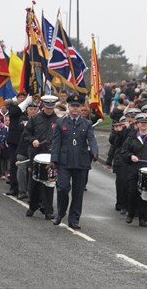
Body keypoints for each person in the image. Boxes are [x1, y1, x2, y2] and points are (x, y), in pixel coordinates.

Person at [51, 94, 99, 230]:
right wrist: (54, 159)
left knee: (78, 192)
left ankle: (74, 219)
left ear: (81, 108)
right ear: (68, 107)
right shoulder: (61, 123)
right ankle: (60, 212)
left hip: (81, 161)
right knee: (62, 188)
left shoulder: (87, 124)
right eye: (72, 106)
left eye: (78, 106)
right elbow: (56, 142)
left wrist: (95, 152)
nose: (75, 109)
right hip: (64, 161)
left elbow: (92, 139)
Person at [23, 95, 59, 220]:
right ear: (43, 105)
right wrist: (33, 140)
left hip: (51, 156)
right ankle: (33, 206)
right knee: (35, 182)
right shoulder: (34, 119)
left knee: (50, 182)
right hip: (36, 154)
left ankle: (48, 210)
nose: (49, 110)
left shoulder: (58, 121)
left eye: (51, 107)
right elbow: (26, 134)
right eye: (47, 107)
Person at [109, 116, 129, 214]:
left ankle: (128, 204)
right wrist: (118, 132)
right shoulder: (117, 131)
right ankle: (120, 203)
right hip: (120, 159)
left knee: (129, 184)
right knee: (121, 183)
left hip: (130, 160)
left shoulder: (132, 130)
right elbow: (113, 143)